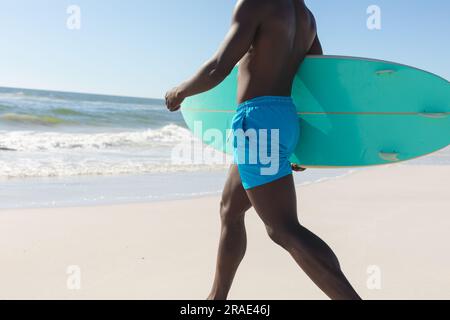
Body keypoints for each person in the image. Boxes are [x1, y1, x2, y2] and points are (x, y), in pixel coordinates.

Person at [165, 0, 361, 300]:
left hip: (256, 123)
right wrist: (304, 143)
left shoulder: (256, 3)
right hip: (284, 118)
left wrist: (180, 92)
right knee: (230, 209)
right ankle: (216, 299)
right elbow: (314, 80)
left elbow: (220, 66)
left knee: (282, 229)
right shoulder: (305, 16)